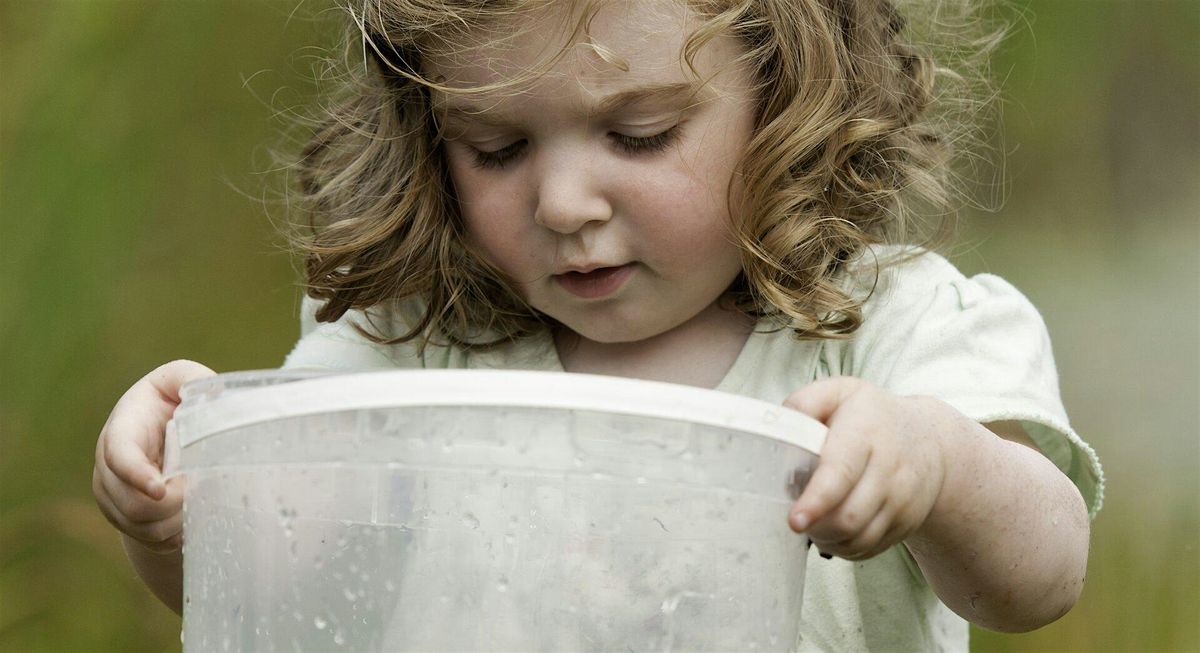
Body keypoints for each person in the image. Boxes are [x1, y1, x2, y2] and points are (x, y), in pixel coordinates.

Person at [92, 0, 1103, 649]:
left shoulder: (889, 328)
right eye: (495, 147)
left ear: (788, 94)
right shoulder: (414, 339)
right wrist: (180, 503)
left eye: (639, 132)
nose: (565, 200)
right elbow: (272, 569)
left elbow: (1042, 571)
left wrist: (937, 463)